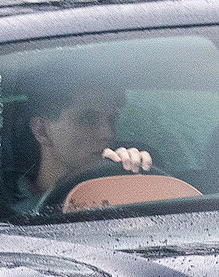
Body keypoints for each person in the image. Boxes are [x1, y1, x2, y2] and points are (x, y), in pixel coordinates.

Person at [11, 82, 152, 215]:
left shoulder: (121, 185)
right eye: (87, 119)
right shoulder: (3, 209)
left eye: (111, 120)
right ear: (42, 130)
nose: (108, 133)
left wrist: (136, 176)